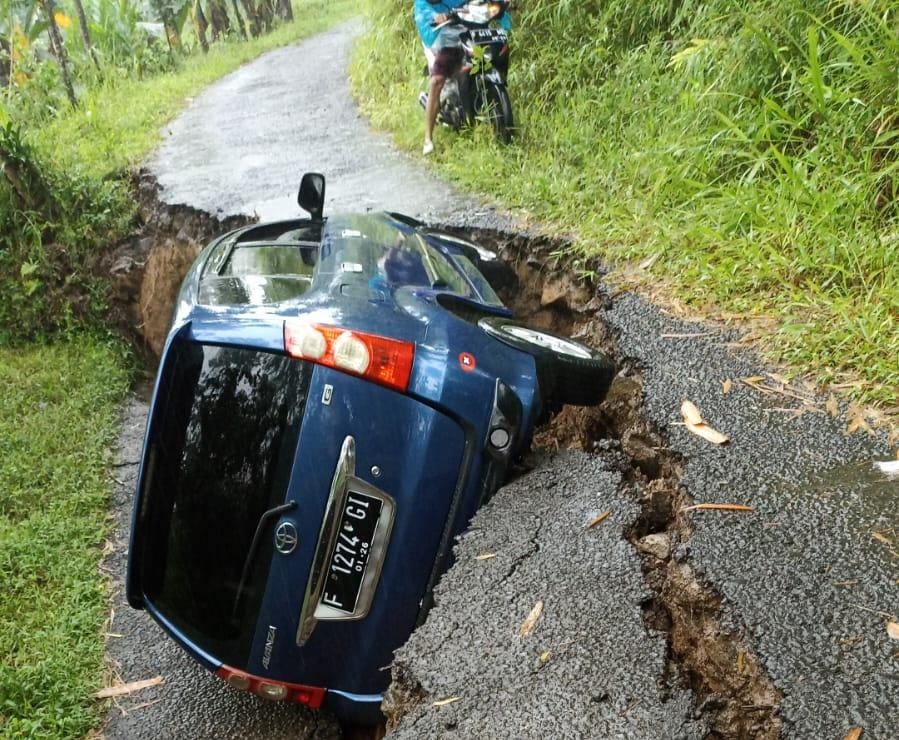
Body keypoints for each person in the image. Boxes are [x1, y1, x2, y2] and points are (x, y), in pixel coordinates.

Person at [413, 0, 511, 155]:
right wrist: (436, 16)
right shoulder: (423, 3)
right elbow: (423, 12)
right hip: (447, 39)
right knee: (436, 81)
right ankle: (428, 139)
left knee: (497, 54)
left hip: (474, 33)